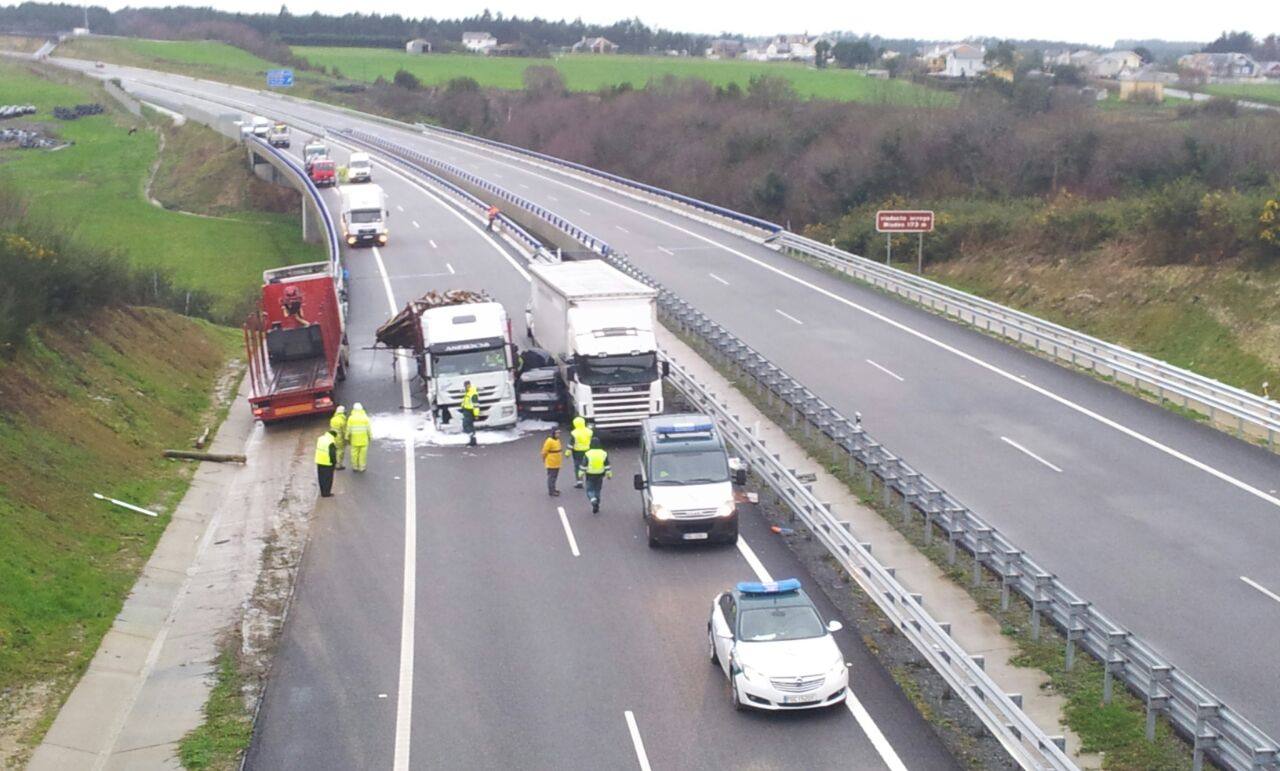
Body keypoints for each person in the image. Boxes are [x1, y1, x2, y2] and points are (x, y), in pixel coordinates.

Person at [579, 436, 611, 514]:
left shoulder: (588, 454)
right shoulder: (604, 453)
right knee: (597, 490)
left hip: (590, 474)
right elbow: (607, 464)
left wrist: (580, 473)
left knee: (590, 490)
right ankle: (597, 503)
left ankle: (593, 501)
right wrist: (608, 473)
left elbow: (584, 465)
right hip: (600, 474)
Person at [567, 416, 592, 488]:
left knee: (577, 467)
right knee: (587, 467)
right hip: (587, 451)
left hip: (577, 452)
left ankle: (579, 481)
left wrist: (568, 452)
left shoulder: (574, 433)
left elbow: (571, 443)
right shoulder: (589, 431)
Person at [346, 402, 371, 472]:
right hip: (364, 440)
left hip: (354, 440)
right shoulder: (365, 418)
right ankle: (362, 467)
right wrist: (370, 437)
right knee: (362, 455)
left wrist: (346, 437)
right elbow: (368, 429)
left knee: (354, 454)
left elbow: (348, 429)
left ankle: (355, 467)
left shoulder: (351, 418)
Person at [315, 429, 338, 497]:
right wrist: (334, 462)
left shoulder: (320, 438)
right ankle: (326, 493)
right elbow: (332, 454)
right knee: (328, 479)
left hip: (319, 461)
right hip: (327, 463)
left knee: (321, 477)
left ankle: (322, 492)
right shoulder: (331, 442)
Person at [541, 428, 563, 496]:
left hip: (557, 461)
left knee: (555, 476)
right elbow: (544, 451)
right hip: (551, 462)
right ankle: (551, 491)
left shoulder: (557, 440)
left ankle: (553, 489)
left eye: (559, 433)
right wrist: (544, 459)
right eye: (557, 433)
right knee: (552, 477)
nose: (558, 434)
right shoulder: (549, 441)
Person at [460, 381, 480, 447]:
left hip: (470, 412)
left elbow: (476, 405)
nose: (465, 387)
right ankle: (473, 441)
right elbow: (466, 401)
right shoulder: (468, 392)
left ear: (469, 385)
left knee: (466, 425)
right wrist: (462, 407)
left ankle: (472, 439)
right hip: (466, 411)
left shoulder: (472, 393)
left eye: (467, 385)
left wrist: (476, 414)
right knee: (470, 426)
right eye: (465, 386)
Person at [329, 405, 347, 470]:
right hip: (339, 438)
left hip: (333, 437)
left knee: (335, 450)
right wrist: (346, 438)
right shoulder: (342, 420)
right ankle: (338, 465)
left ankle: (333, 463)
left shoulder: (333, 419)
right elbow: (344, 431)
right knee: (340, 451)